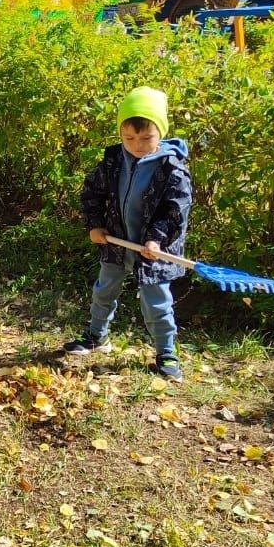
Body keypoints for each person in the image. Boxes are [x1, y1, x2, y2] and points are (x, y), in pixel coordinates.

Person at [63, 86, 192, 381]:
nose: (137, 145)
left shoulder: (172, 169)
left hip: (153, 252)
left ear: (160, 134)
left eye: (146, 138)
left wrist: (156, 238)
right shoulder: (113, 161)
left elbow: (175, 211)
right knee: (104, 291)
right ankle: (96, 336)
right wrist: (95, 224)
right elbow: (91, 193)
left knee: (156, 302)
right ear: (121, 134)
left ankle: (166, 352)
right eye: (129, 138)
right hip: (116, 242)